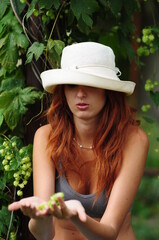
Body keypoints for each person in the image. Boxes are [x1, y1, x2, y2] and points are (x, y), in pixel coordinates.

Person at [8, 42, 149, 240]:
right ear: (63, 91)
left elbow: (109, 232)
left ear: (107, 90)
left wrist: (75, 215)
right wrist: (41, 218)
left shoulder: (133, 140)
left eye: (90, 85)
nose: (80, 94)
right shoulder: (47, 137)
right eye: (72, 85)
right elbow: (45, 235)